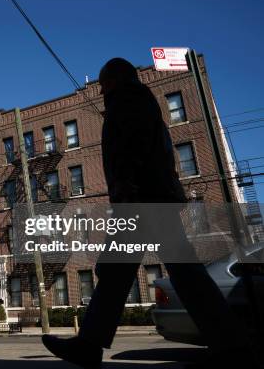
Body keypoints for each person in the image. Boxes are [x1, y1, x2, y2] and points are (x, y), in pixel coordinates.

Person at [41, 58, 257, 368]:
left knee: (131, 270)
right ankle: (232, 347)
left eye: (103, 85)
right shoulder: (139, 102)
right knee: (165, 272)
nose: (101, 91)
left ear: (113, 81)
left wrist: (127, 194)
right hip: (152, 198)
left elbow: (130, 151)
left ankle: (232, 348)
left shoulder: (127, 101)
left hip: (142, 199)